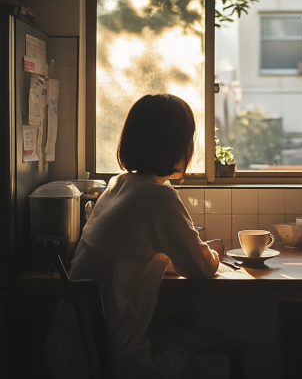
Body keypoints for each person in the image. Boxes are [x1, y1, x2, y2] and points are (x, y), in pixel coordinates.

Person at [46, 94, 231, 379]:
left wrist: (194, 250)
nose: (192, 147)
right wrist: (213, 252)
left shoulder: (118, 185)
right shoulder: (159, 196)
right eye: (189, 139)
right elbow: (200, 268)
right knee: (225, 355)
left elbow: (138, 254)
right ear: (175, 145)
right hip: (118, 357)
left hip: (72, 347)